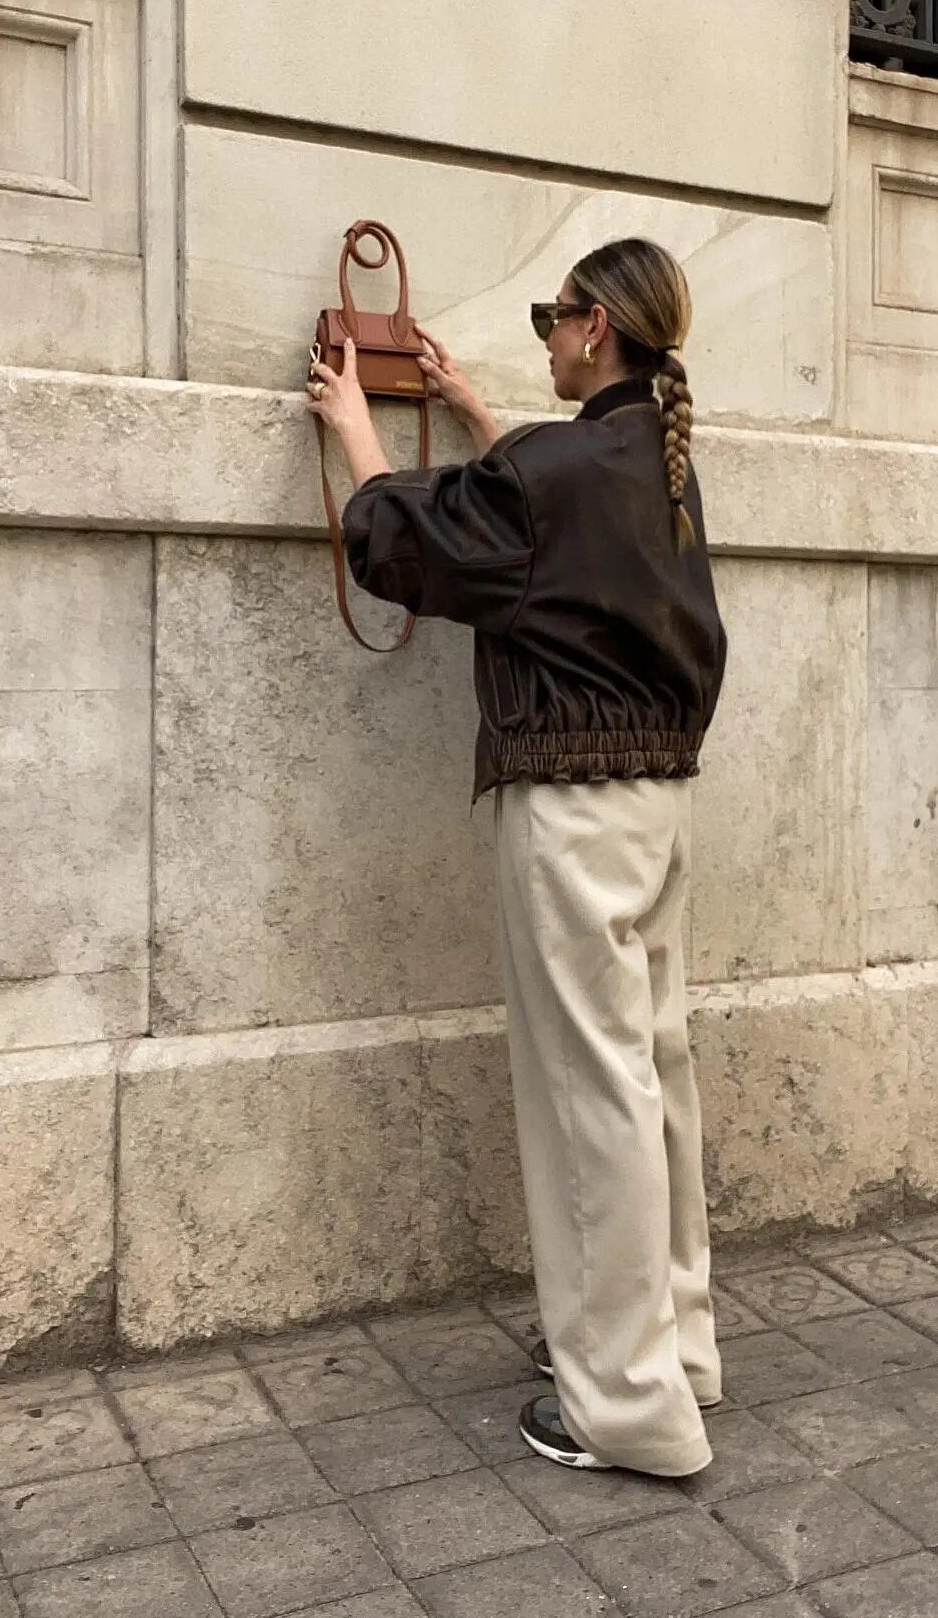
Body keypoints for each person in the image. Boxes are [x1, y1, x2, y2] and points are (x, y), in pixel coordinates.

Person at [307, 237, 728, 1477]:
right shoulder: (654, 458)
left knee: (592, 1096)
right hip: (657, 804)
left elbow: (415, 544)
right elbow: (545, 523)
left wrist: (354, 429)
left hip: (573, 807)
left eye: (555, 316)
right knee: (651, 1081)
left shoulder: (566, 467)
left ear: (596, 327)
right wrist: (478, 413)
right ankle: (670, 1350)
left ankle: (629, 1407)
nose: (546, 335)